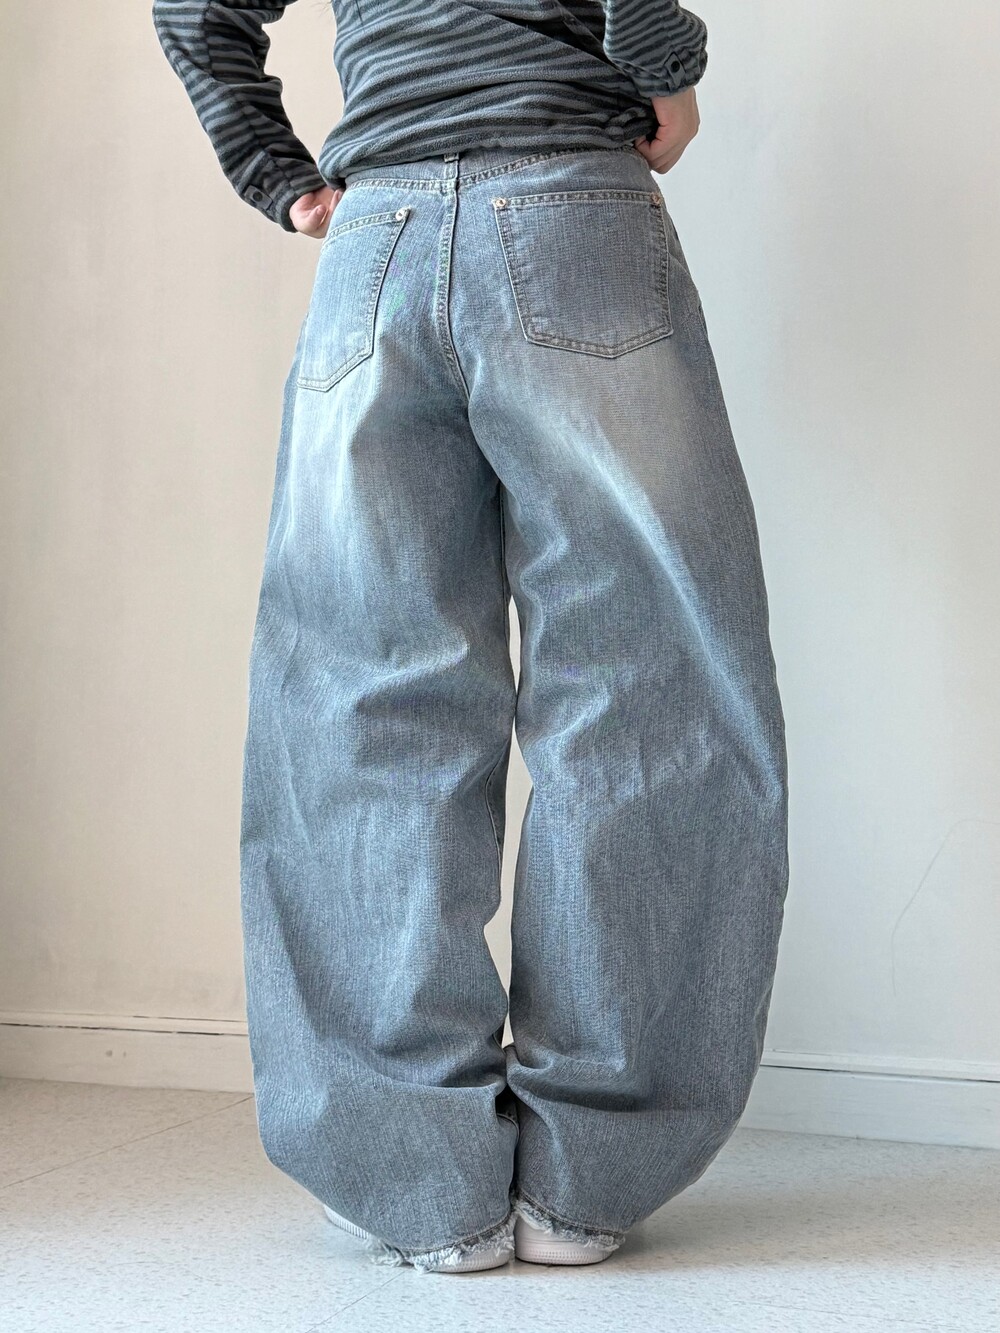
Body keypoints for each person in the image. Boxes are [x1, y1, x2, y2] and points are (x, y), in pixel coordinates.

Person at [151, 0, 790, 1275]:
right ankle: (591, 1173)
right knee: (641, 686)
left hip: (376, 236)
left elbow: (192, 9)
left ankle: (412, 1179)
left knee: (363, 699)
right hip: (573, 212)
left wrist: (279, 175)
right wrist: (664, 67)